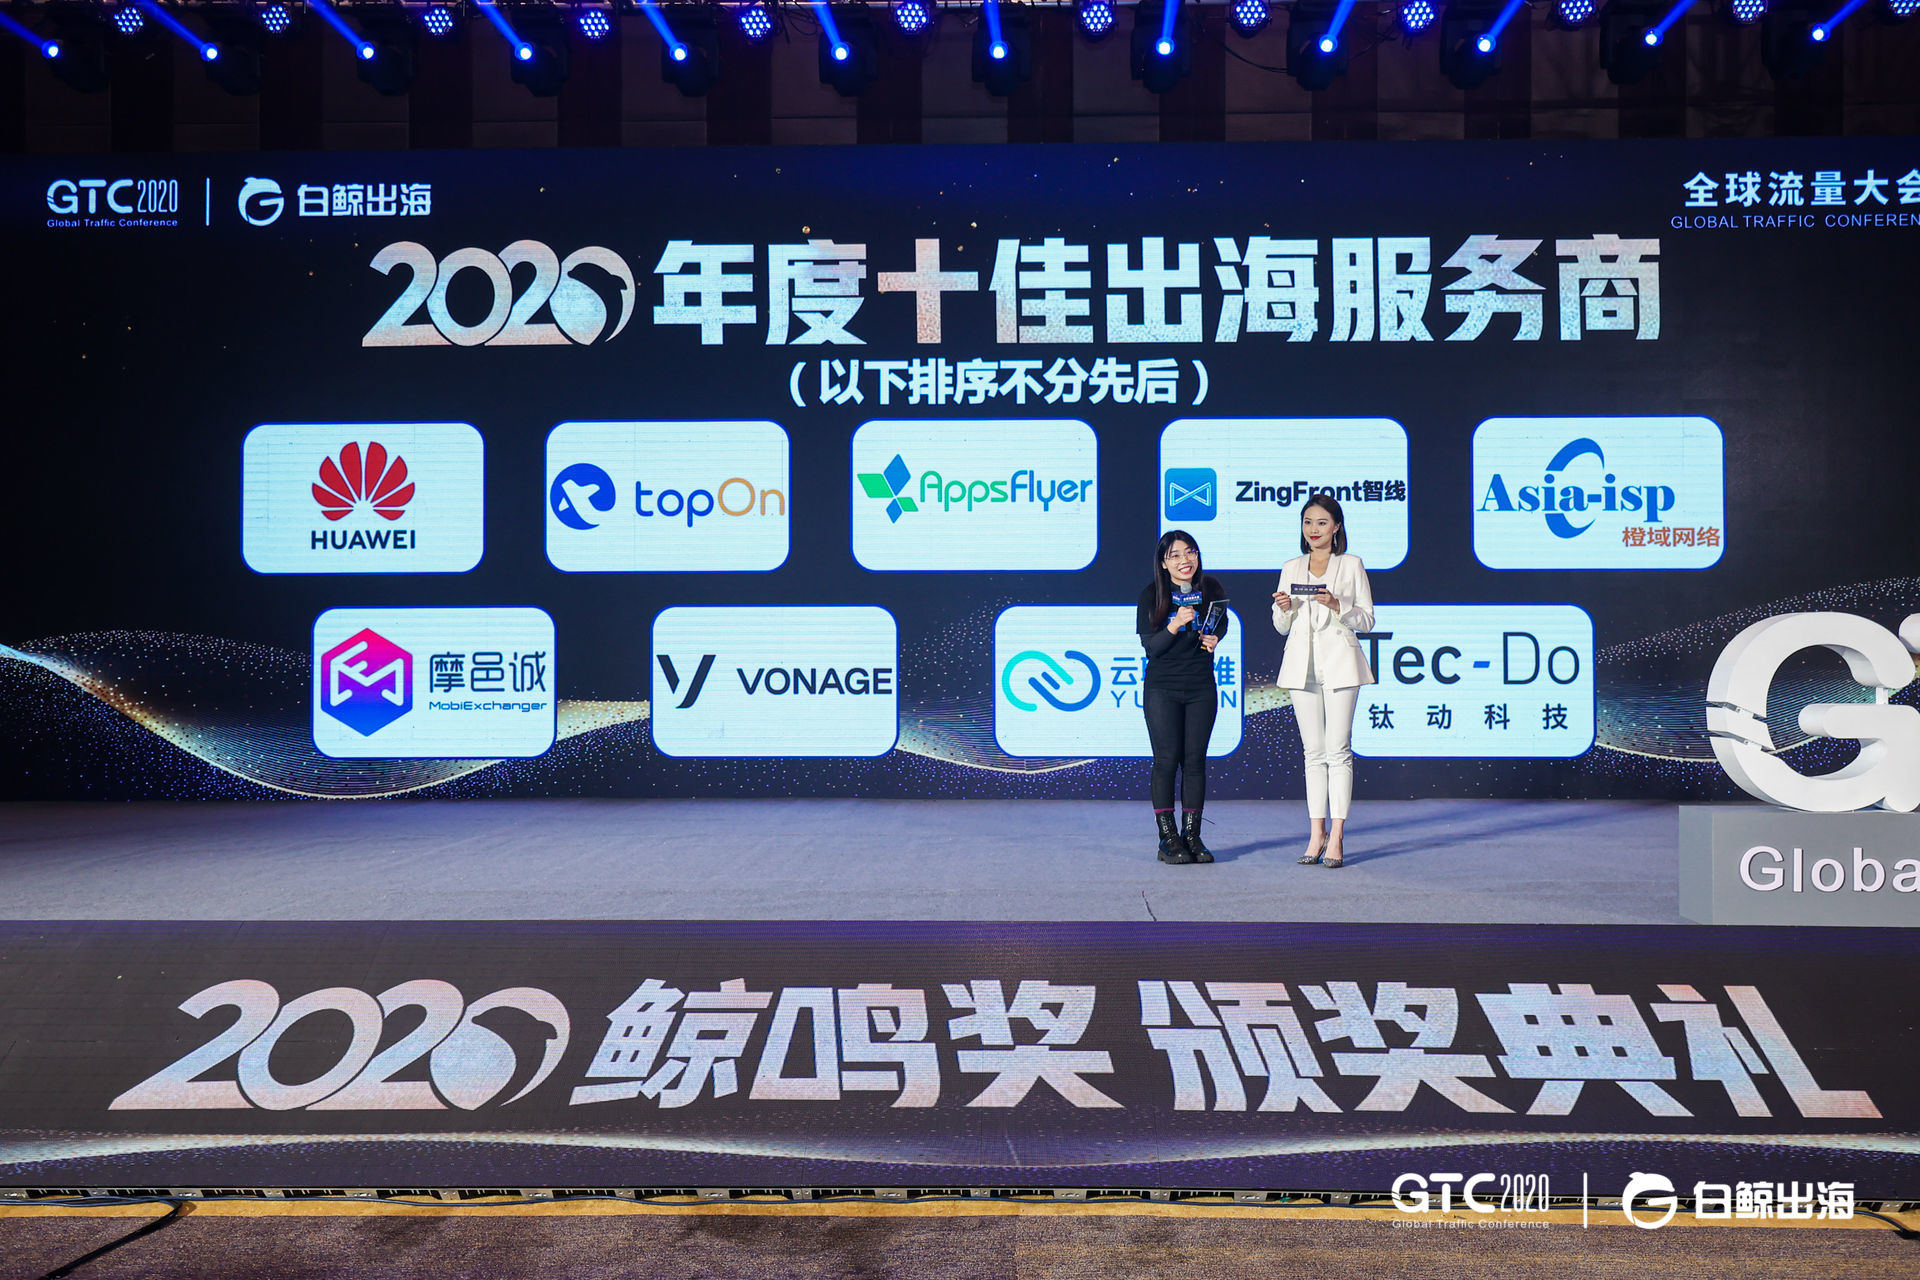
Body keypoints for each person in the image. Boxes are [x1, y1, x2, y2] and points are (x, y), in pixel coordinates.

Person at [1271, 494, 1375, 869]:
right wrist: (1284, 610)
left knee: (1338, 749)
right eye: (1307, 522)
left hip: (1342, 665)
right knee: (1313, 752)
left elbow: (1367, 620)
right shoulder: (1291, 567)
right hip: (1302, 667)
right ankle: (1316, 833)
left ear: (1336, 527)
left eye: (1321, 522)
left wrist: (1337, 605)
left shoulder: (1350, 565)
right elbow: (1281, 626)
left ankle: (1338, 833)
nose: (1313, 530)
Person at [1137, 530, 1230, 866]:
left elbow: (1221, 623)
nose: (1184, 560)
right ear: (1164, 563)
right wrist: (1175, 624)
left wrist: (1215, 637)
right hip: (1163, 687)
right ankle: (1168, 838)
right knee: (1166, 760)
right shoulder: (1152, 595)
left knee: (1195, 761)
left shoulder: (1210, 589)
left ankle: (1192, 836)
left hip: (1201, 686)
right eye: (1175, 555)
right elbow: (1152, 648)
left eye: (1190, 552)